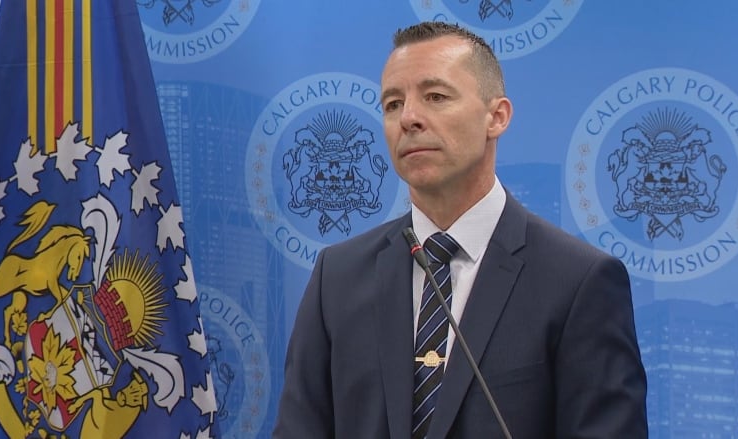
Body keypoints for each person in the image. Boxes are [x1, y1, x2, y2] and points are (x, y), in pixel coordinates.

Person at [273, 21, 647, 438]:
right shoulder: (337, 276)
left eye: (435, 97)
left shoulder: (578, 282)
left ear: (497, 117)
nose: (409, 118)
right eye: (393, 104)